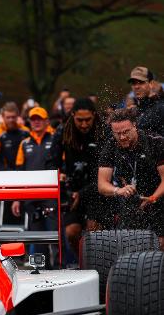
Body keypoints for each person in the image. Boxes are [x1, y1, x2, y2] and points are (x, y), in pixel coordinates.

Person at [45, 98, 112, 261]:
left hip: (98, 187)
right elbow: (50, 162)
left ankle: (97, 264)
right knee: (71, 232)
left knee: (93, 230)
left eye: (87, 120)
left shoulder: (102, 131)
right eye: (79, 120)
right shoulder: (63, 130)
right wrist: (57, 173)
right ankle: (82, 262)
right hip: (73, 187)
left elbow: (108, 170)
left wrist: (83, 193)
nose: (83, 124)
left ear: (94, 116)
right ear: (72, 115)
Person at [98, 107, 164, 250]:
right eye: (117, 133)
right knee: (128, 247)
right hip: (131, 202)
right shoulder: (111, 145)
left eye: (126, 132)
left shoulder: (155, 142)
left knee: (159, 245)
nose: (122, 137)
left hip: (158, 198)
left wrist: (153, 197)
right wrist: (118, 190)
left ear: (134, 125)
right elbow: (102, 184)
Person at [12, 107, 57, 268]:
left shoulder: (55, 140)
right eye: (33, 119)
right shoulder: (24, 144)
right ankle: (41, 270)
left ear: (46, 121)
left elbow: (62, 166)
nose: (36, 122)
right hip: (31, 197)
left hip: (51, 195)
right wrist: (17, 198)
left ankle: (59, 269)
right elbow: (19, 172)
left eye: (40, 119)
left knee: (54, 234)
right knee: (37, 238)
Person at [0, 102, 29, 171]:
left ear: (17, 116)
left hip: (25, 172)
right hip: (5, 175)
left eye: (13, 117)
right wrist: (6, 171)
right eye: (8, 117)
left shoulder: (26, 132)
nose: (11, 120)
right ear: (3, 117)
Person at [128, 66, 164, 136]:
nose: (136, 87)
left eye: (141, 82)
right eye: (134, 83)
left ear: (151, 84)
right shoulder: (135, 110)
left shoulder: (161, 107)